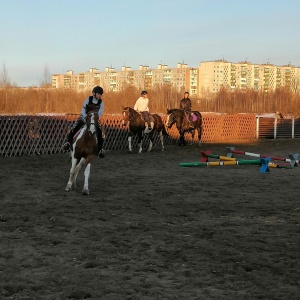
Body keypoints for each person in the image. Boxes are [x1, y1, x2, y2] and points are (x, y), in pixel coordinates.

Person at [63, 86, 105, 158]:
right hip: (84, 117)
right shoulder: (88, 99)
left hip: (93, 119)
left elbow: (99, 113)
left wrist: (94, 119)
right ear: (94, 93)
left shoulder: (101, 103)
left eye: (101, 94)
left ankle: (100, 149)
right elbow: (83, 110)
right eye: (98, 94)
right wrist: (86, 117)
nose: (100, 96)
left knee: (100, 131)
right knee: (74, 127)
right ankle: (68, 142)